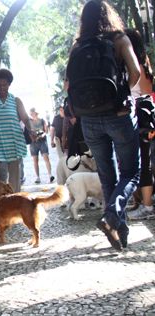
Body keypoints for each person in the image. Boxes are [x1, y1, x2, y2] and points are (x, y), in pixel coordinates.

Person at [67, 0, 140, 250]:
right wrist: (121, 95)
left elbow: (69, 85)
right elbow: (136, 72)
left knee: (108, 177)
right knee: (131, 172)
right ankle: (111, 218)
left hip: (89, 120)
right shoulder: (119, 39)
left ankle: (120, 235)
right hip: (117, 115)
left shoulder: (77, 47)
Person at [0, 68, 33, 192]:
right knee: (0, 180)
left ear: (9, 84)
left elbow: (26, 119)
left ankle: (15, 205)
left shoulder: (16, 101)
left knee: (15, 181)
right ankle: (1, 206)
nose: (2, 87)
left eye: (5, 84)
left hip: (15, 145)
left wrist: (31, 130)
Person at [125, 28, 155, 220]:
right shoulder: (145, 64)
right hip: (146, 116)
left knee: (143, 162)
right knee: (144, 161)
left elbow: (141, 92)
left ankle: (147, 206)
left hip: (141, 118)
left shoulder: (137, 68)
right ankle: (143, 201)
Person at [29, 108, 54, 184]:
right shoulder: (29, 122)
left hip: (42, 141)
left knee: (46, 157)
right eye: (32, 113)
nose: (33, 115)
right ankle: (37, 177)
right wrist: (32, 137)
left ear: (36, 113)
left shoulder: (42, 120)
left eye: (34, 113)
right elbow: (28, 131)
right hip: (33, 142)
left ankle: (50, 175)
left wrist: (42, 135)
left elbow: (46, 131)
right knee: (35, 160)